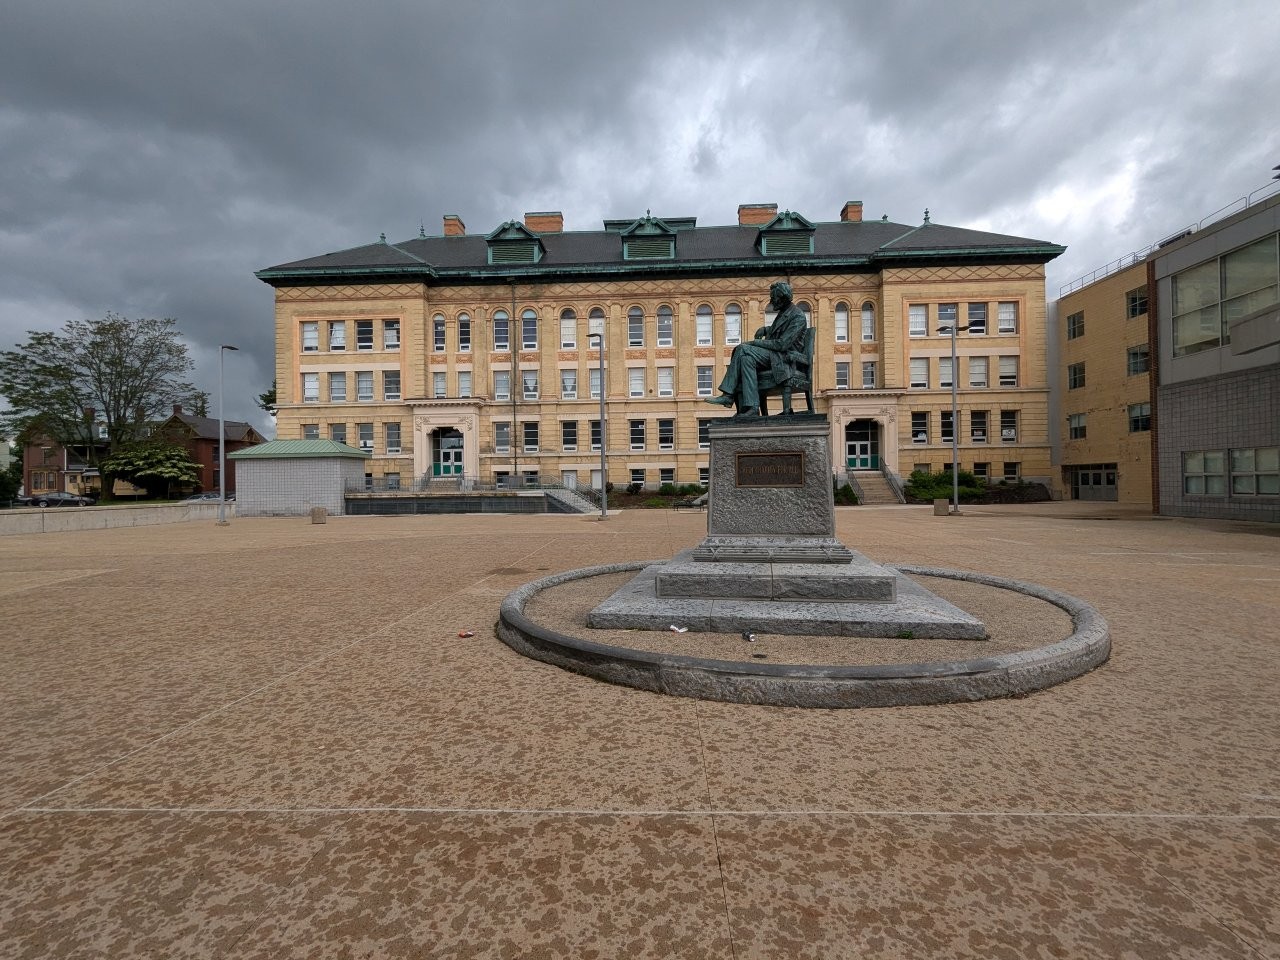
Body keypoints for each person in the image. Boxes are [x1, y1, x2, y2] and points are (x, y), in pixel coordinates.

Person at [704, 281, 808, 416]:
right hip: (774, 356)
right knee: (746, 360)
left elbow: (782, 344)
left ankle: (728, 394)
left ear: (782, 298)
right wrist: (766, 329)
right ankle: (752, 407)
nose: (771, 300)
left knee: (742, 349)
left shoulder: (797, 316)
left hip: (785, 358)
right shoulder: (784, 313)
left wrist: (754, 343)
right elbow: (781, 330)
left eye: (773, 297)